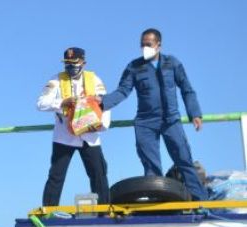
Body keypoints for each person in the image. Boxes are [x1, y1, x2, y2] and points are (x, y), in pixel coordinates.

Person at [100, 28, 207, 201]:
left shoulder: (172, 63)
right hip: (145, 123)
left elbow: (187, 89)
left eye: (148, 44)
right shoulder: (134, 67)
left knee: (184, 160)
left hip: (171, 121)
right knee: (151, 168)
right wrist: (101, 103)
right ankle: (159, 204)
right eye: (142, 45)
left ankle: (202, 203)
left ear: (158, 45)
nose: (144, 48)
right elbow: (122, 91)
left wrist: (195, 113)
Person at [38, 47, 111, 206]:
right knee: (56, 175)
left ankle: (104, 212)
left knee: (98, 174)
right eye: (67, 63)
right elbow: (40, 103)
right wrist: (60, 103)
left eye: (74, 63)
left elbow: (105, 104)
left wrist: (102, 126)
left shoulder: (95, 80)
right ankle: (49, 213)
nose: (70, 66)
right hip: (64, 136)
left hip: (90, 135)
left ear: (83, 63)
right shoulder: (56, 80)